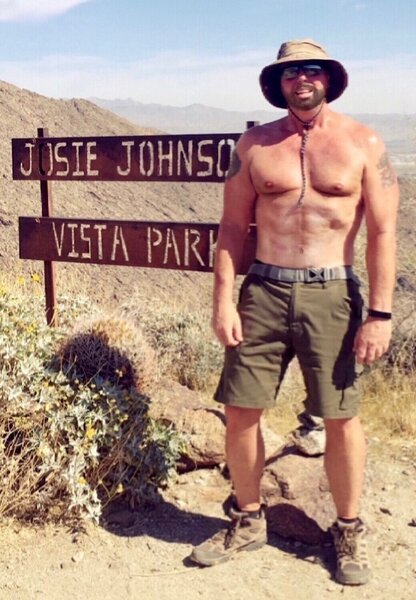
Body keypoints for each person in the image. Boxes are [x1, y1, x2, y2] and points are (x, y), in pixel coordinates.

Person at [189, 39, 399, 586]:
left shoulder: (364, 143)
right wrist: (222, 300)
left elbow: (381, 232)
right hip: (263, 289)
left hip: (332, 293)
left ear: (328, 77)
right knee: (241, 409)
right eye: (289, 73)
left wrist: (380, 312)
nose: (300, 79)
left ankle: (347, 531)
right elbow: (233, 228)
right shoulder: (255, 145)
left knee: (340, 416)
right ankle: (248, 519)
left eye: (310, 70)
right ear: (277, 84)